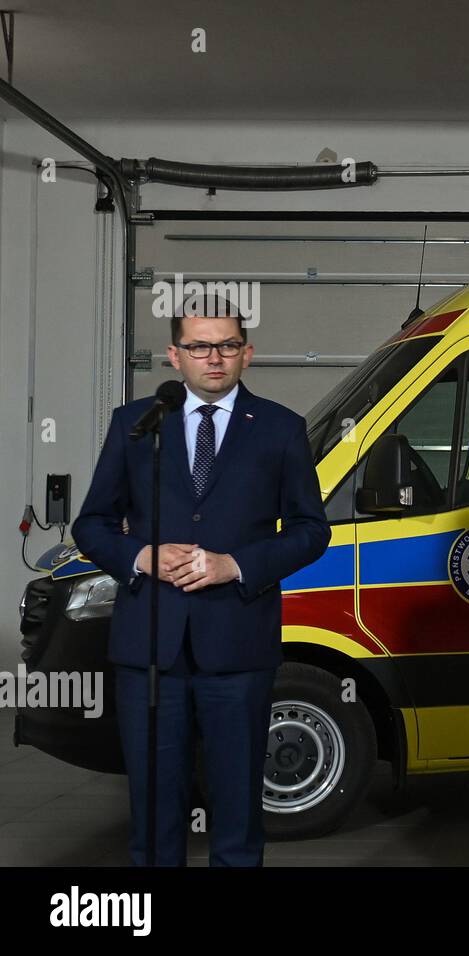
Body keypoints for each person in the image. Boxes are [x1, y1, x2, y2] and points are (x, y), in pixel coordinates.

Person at [71, 295, 330, 866]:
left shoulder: (282, 430)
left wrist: (235, 565)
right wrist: (140, 556)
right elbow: (89, 524)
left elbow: (313, 531)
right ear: (174, 355)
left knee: (237, 813)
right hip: (151, 650)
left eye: (227, 346)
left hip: (238, 646)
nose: (214, 358)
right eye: (199, 346)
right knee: (154, 810)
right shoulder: (135, 426)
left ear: (247, 354)